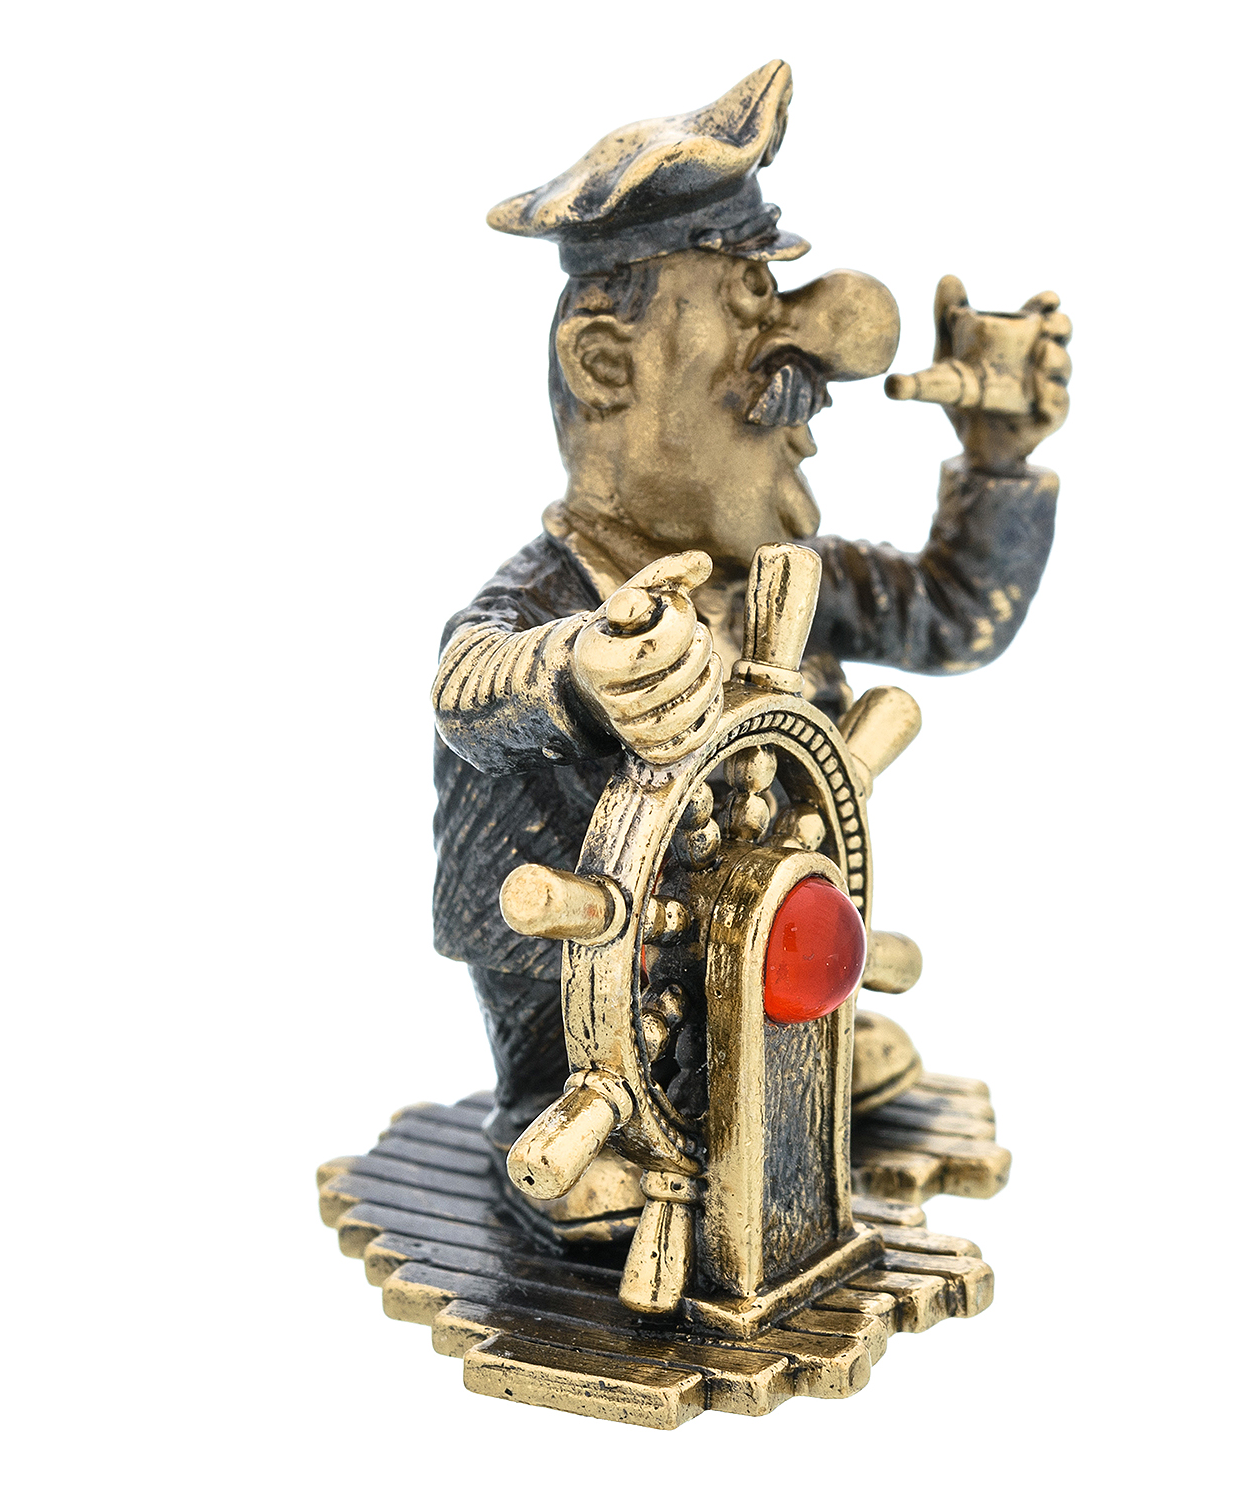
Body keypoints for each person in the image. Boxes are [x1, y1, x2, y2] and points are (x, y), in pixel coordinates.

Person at [432, 60, 1071, 1233]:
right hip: (583, 988)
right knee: (554, 1011)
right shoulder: (547, 601)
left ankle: (786, 1041)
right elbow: (470, 686)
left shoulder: (799, 580)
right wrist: (579, 670)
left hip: (767, 954)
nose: (808, 352)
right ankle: (553, 1109)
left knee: (786, 969)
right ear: (605, 364)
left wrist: (999, 463)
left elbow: (953, 609)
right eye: (745, 300)